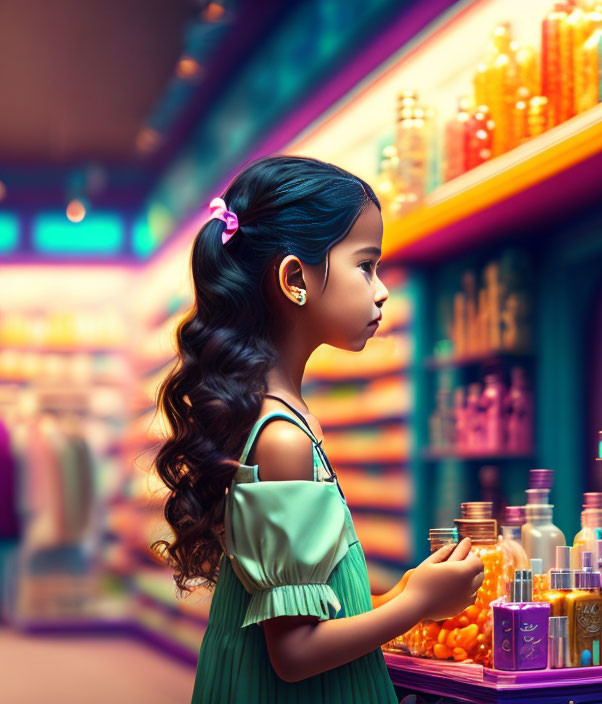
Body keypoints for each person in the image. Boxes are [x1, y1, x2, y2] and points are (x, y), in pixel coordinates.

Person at [152, 156, 484, 702]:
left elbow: (315, 606)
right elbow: (294, 655)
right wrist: (415, 605)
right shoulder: (282, 437)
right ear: (294, 279)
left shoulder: (280, 416)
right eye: (365, 265)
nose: (381, 291)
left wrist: (404, 588)